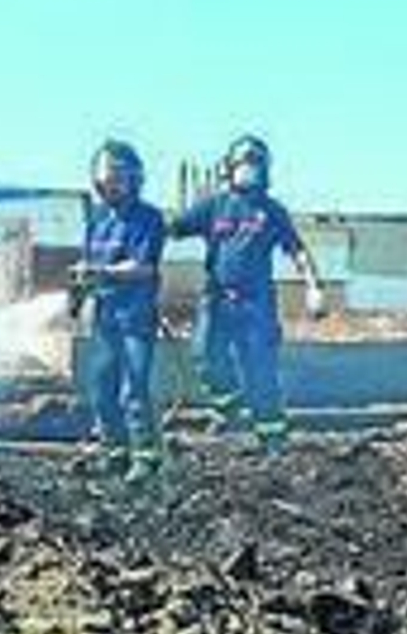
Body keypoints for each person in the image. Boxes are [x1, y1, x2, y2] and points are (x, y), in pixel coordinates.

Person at [169, 135, 324, 451]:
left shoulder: (272, 211)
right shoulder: (214, 205)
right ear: (230, 167)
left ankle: (273, 437)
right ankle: (228, 403)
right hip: (216, 298)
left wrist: (313, 287)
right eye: (243, 163)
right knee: (203, 353)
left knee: (260, 370)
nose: (249, 170)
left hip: (257, 302)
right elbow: (172, 228)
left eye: (255, 164)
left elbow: (297, 250)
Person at [72, 139, 167, 482]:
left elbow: (144, 267)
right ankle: (115, 453)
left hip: (135, 319)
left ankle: (146, 457)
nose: (108, 186)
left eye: (115, 179)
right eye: (103, 180)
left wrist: (102, 273)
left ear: (133, 179)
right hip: (105, 318)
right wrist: (80, 289)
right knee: (101, 388)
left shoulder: (148, 218)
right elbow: (90, 264)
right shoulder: (98, 219)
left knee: (134, 388)